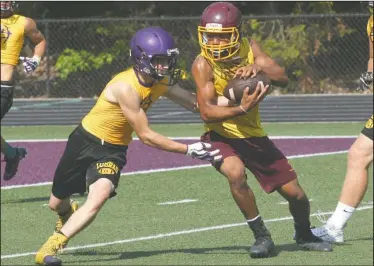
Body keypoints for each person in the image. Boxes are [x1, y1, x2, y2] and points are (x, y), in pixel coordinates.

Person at [34, 26, 222, 266]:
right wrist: (187, 149)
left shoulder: (160, 81)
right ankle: (66, 212)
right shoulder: (126, 87)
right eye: (160, 61)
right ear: (141, 60)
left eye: (168, 61)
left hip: (113, 150)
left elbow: (196, 104)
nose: (165, 67)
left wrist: (237, 103)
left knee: (98, 196)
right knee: (56, 203)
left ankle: (51, 246)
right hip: (84, 141)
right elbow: (146, 136)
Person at [192, 2, 332, 258]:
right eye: (209, 35)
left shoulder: (250, 47)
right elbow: (207, 111)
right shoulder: (202, 64)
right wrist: (240, 109)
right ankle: (262, 237)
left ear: (236, 33)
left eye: (221, 36)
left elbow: (283, 77)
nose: (213, 42)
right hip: (220, 134)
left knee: (297, 196)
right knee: (235, 174)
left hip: (253, 136)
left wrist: (259, 68)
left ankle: (303, 233)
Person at [311, 1, 373, 243]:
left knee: (360, 153)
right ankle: (335, 227)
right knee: (359, 154)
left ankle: (335, 227)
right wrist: (370, 74)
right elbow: (372, 57)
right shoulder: (371, 22)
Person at [1, 1, 46, 180]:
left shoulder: (24, 22)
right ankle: (12, 154)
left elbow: (40, 40)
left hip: (2, 86)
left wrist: (35, 59)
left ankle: (13, 154)